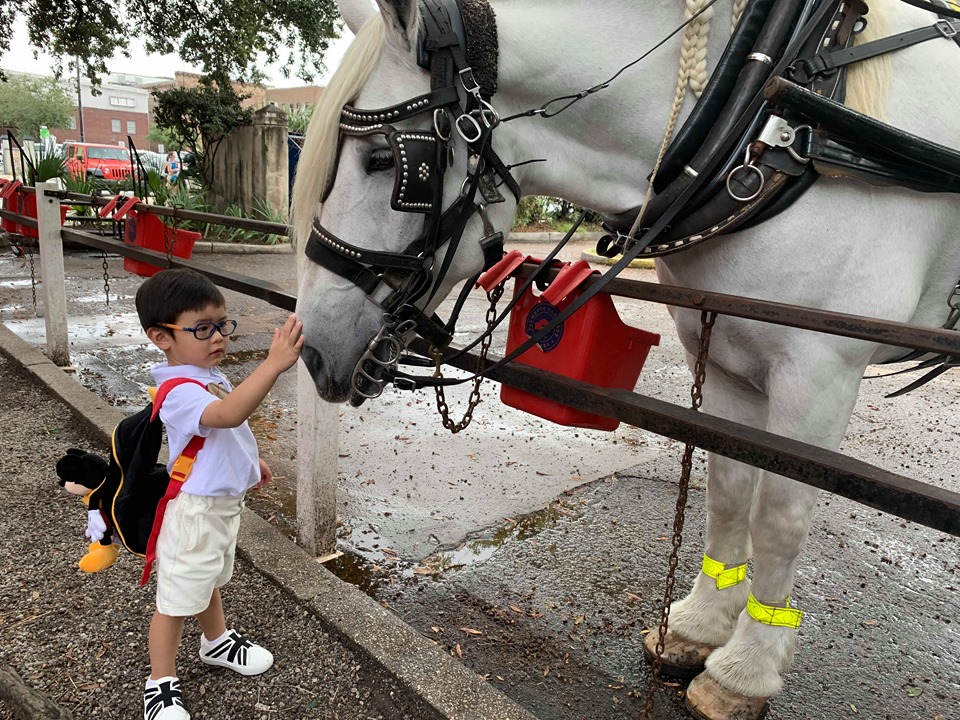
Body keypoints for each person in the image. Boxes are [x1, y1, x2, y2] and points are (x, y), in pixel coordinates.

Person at [134, 268, 303, 720]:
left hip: (221, 505)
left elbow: (230, 430)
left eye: (222, 325)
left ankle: (216, 642)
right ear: (161, 337)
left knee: (208, 578)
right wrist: (272, 363)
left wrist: (253, 462)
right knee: (174, 600)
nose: (218, 338)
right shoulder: (177, 390)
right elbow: (227, 416)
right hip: (195, 510)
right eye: (202, 328)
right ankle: (160, 683)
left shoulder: (209, 375)